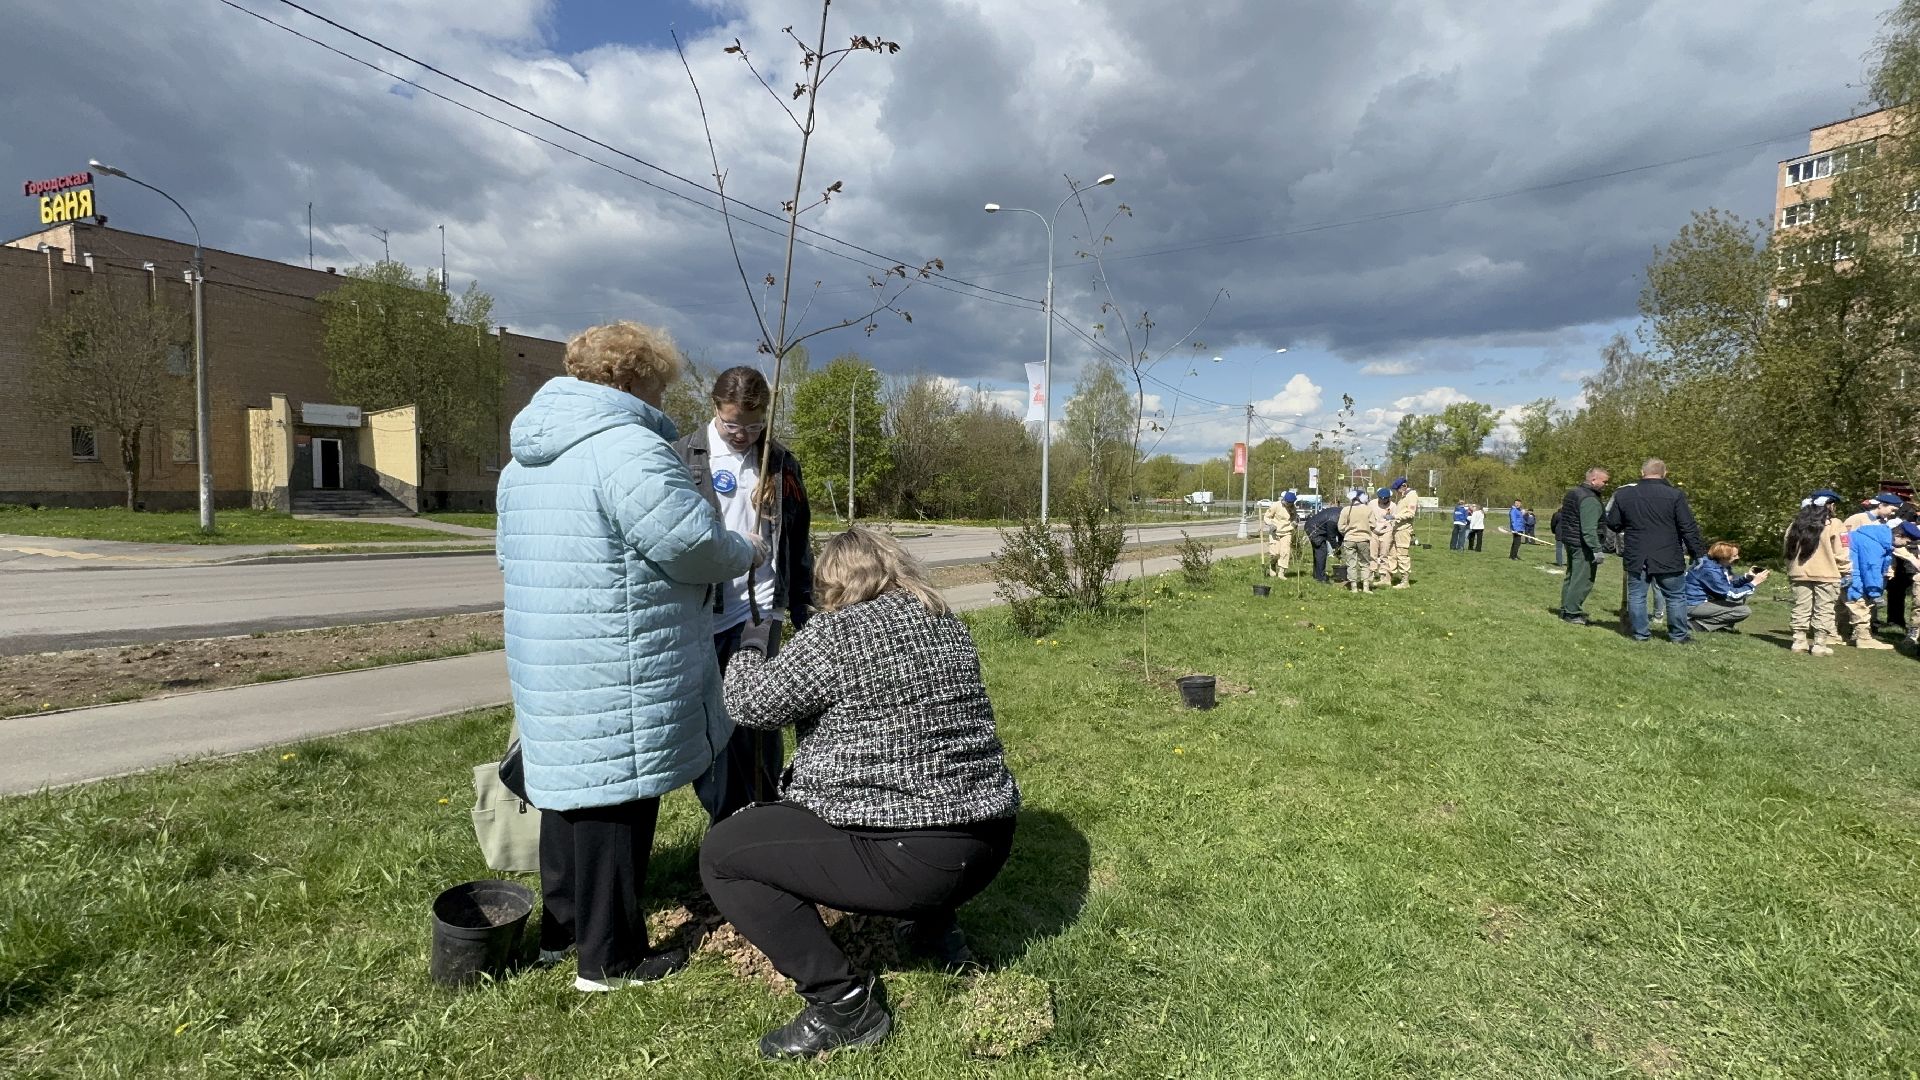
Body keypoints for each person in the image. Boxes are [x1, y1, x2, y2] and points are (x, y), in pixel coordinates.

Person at [496, 321, 759, 992]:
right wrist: (747, 552)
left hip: (550, 648)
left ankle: (564, 931)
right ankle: (610, 960)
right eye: (661, 381)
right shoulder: (625, 449)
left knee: (565, 789)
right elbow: (691, 544)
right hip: (619, 653)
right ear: (638, 378)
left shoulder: (526, 456)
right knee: (618, 794)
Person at [701, 527, 1021, 1059]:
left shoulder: (839, 633)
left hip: (913, 860)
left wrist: (750, 648)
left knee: (724, 855)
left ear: (833, 581)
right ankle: (935, 935)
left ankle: (842, 1004)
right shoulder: (944, 622)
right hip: (989, 843)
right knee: (914, 787)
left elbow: (751, 704)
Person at [673, 366, 815, 824]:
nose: (743, 435)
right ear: (714, 408)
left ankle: (760, 815)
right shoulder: (682, 457)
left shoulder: (779, 462)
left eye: (754, 426)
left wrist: (802, 608)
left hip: (758, 612)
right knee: (709, 722)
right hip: (703, 611)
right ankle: (724, 815)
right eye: (734, 424)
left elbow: (799, 539)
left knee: (757, 722)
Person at [1604, 459, 1706, 643]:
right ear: (1664, 473)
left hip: (1637, 553)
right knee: (1675, 596)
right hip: (1668, 553)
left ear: (1642, 472)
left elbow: (1613, 523)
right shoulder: (1675, 495)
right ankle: (1678, 635)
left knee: (1637, 595)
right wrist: (1697, 552)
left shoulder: (1624, 495)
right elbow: (1688, 527)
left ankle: (1640, 634)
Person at [1785, 491, 1847, 656]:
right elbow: (1843, 551)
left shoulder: (1795, 524)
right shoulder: (1836, 524)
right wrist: (1846, 571)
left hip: (1799, 573)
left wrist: (1791, 569)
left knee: (1801, 607)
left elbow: (1787, 549)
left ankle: (1798, 641)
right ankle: (1819, 644)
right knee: (1824, 609)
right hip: (1827, 573)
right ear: (1830, 505)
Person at [1838, 493, 1904, 642]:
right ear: (1881, 505)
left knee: (1870, 603)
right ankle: (1846, 630)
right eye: (1892, 510)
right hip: (1857, 567)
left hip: (1877, 569)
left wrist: (1889, 568)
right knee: (1853, 600)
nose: (1893, 514)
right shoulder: (1857, 519)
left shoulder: (1887, 523)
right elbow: (1845, 543)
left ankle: (1865, 630)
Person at [1556, 467, 1610, 626]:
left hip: (1570, 541)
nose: (1606, 484)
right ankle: (1572, 613)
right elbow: (1588, 529)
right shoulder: (1590, 499)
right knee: (1583, 579)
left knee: (1572, 577)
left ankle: (1566, 608)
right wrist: (1596, 549)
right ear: (1594, 480)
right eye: (1604, 481)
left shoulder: (1573, 492)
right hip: (1582, 545)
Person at [1684, 542, 1768, 633]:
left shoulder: (1712, 564)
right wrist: (1754, 583)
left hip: (1695, 602)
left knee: (1740, 600)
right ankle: (1697, 625)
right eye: (1734, 556)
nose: (1738, 557)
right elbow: (1732, 594)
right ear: (1724, 557)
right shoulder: (1710, 570)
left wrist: (1746, 578)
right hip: (1692, 605)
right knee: (1743, 611)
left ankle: (1716, 626)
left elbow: (1726, 586)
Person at [1846, 509, 1898, 651]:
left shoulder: (1868, 535)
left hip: (1845, 575)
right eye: (1904, 541)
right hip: (1854, 579)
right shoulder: (1874, 545)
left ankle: (1838, 634)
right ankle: (1863, 638)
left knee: (1841, 607)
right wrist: (1876, 593)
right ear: (1898, 535)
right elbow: (1871, 570)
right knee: (1860, 607)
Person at [1338, 489, 1377, 593]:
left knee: (1351, 563)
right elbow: (1373, 525)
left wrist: (1347, 531)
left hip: (1349, 539)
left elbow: (1340, 527)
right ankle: (1366, 587)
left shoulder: (1346, 510)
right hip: (1364, 539)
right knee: (1365, 563)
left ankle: (1354, 587)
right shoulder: (1368, 509)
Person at [1389, 477, 1419, 587]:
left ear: (1404, 486)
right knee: (1392, 553)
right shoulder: (1404, 496)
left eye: (1398, 489)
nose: (1397, 492)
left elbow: (1411, 513)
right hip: (1397, 528)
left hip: (1404, 529)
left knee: (1402, 554)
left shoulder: (1412, 496)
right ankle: (1389, 577)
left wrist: (1395, 517)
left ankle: (1405, 581)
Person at [1262, 491, 1299, 579]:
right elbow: (1266, 517)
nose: (1287, 505)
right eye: (1286, 502)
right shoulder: (1276, 505)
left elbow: (1295, 518)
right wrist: (1270, 524)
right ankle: (1272, 565)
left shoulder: (1293, 508)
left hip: (1287, 532)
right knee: (1275, 553)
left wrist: (1295, 522)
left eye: (1290, 503)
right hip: (1275, 532)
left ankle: (1281, 572)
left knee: (1285, 552)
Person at [1305, 500, 1343, 583]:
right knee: (1321, 552)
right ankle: (1321, 578)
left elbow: (1340, 532)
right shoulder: (1333, 520)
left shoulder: (1340, 513)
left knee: (1318, 552)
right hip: (1314, 529)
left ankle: (1317, 574)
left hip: (1314, 526)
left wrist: (1340, 543)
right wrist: (1336, 549)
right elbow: (1331, 536)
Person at [1369, 487, 1398, 586]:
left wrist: (1387, 527)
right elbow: (1369, 516)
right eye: (1381, 498)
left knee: (1384, 554)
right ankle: (1371, 574)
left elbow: (1393, 520)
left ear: (1388, 498)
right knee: (1372, 553)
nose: (1383, 500)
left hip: (1386, 531)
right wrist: (1374, 527)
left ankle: (1383, 576)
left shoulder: (1393, 506)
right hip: (1374, 530)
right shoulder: (1372, 503)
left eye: (1385, 498)